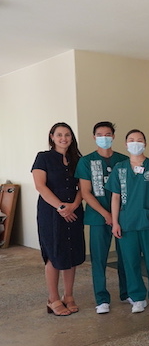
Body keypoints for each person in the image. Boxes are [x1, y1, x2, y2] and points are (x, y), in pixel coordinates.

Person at [106, 129, 149, 313]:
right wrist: (115, 222)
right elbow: (115, 197)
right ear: (125, 144)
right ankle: (137, 297)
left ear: (145, 144)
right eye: (131, 140)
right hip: (127, 222)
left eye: (139, 139)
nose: (135, 143)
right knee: (130, 262)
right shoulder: (120, 168)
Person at [74, 121, 129, 314]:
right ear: (94, 137)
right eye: (100, 134)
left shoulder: (123, 160)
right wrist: (106, 214)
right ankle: (101, 298)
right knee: (99, 259)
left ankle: (127, 292)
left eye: (108, 134)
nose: (104, 138)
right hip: (98, 217)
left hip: (122, 216)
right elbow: (86, 192)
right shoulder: (86, 162)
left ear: (113, 137)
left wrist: (116, 216)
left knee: (125, 257)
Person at [32, 123, 85, 316]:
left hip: (74, 211)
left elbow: (83, 188)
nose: (64, 138)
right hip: (51, 213)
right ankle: (53, 299)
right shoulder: (43, 158)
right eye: (60, 135)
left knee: (71, 254)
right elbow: (40, 186)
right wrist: (61, 207)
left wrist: (74, 206)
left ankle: (68, 296)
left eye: (67, 135)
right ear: (52, 137)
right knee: (54, 254)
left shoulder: (77, 160)